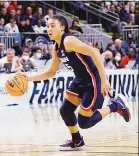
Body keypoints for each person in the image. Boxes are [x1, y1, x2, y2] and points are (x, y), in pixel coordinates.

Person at [23, 15, 131, 151]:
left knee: (84, 122)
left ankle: (115, 105)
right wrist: (28, 78)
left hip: (93, 80)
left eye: (52, 25)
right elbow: (51, 72)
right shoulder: (56, 47)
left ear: (62, 28)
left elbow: (95, 52)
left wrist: (104, 80)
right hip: (80, 80)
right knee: (65, 110)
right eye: (48, 26)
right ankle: (77, 141)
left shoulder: (68, 41)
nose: (49, 29)